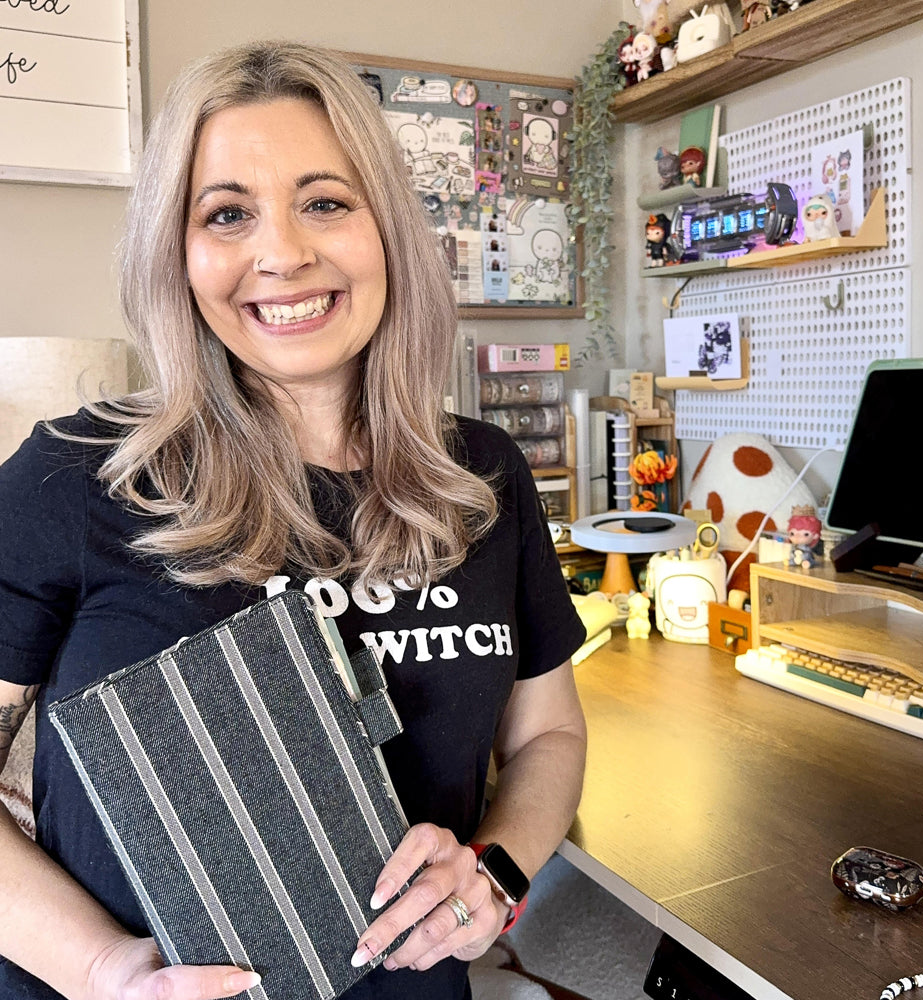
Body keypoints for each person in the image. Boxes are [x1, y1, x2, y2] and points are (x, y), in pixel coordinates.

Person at [0, 41, 587, 1000]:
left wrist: (496, 873)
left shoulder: (482, 476)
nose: (282, 254)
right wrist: (106, 969)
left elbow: (549, 735)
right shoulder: (78, 476)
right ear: (177, 253)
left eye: (326, 202)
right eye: (227, 214)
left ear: (387, 228)